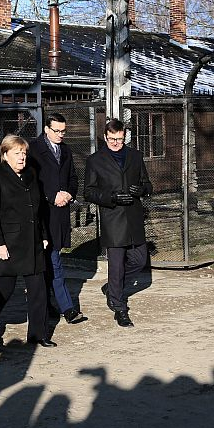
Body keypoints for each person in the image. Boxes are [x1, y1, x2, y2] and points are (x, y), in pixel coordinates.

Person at [0, 134, 55, 348]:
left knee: (38, 288)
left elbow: (37, 209)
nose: (22, 157)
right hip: (9, 243)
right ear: (5, 155)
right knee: (2, 290)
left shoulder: (30, 174)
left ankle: (38, 335)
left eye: (24, 153)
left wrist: (43, 236)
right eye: (17, 153)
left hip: (32, 242)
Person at [84, 119, 152, 327]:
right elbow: (88, 192)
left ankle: (112, 288)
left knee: (140, 261)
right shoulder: (95, 160)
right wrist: (111, 197)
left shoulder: (135, 156)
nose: (116, 143)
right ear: (105, 137)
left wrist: (142, 190)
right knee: (116, 266)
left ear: (125, 137)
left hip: (133, 218)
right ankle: (119, 307)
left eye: (120, 139)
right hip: (113, 219)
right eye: (112, 139)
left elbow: (147, 183)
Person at [27, 113, 87, 325]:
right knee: (54, 262)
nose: (61, 135)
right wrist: (51, 196)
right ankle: (67, 308)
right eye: (57, 131)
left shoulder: (66, 150)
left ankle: (48, 305)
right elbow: (31, 182)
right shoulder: (33, 150)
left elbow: (73, 177)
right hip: (42, 214)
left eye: (64, 131)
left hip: (60, 214)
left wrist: (69, 194)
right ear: (46, 129)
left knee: (51, 260)